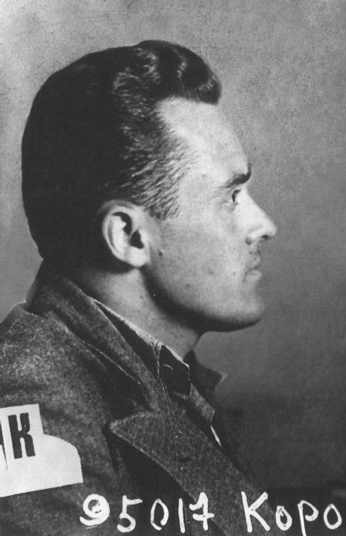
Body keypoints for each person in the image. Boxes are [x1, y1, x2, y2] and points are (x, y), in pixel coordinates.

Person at [0, 41, 280, 535]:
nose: (264, 225)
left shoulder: (160, 372)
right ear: (129, 237)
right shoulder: (34, 399)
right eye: (232, 196)